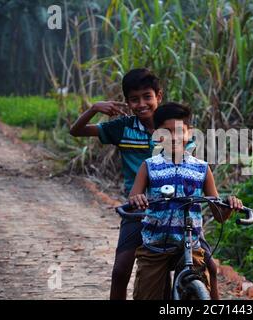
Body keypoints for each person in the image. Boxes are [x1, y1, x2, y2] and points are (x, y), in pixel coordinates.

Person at [69, 69, 220, 299]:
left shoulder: (176, 126)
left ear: (159, 96)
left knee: (208, 267)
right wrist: (94, 108)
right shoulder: (123, 127)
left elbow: (192, 170)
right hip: (139, 210)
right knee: (121, 270)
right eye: (134, 99)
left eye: (147, 97)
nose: (141, 104)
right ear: (127, 102)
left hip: (177, 211)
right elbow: (76, 131)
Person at [128, 102, 244, 300]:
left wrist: (229, 205)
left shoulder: (201, 168)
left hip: (190, 244)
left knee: (203, 285)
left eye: (180, 131)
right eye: (166, 131)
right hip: (156, 244)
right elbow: (133, 199)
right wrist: (137, 199)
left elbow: (219, 214)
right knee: (146, 294)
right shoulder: (149, 166)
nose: (174, 137)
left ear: (190, 133)